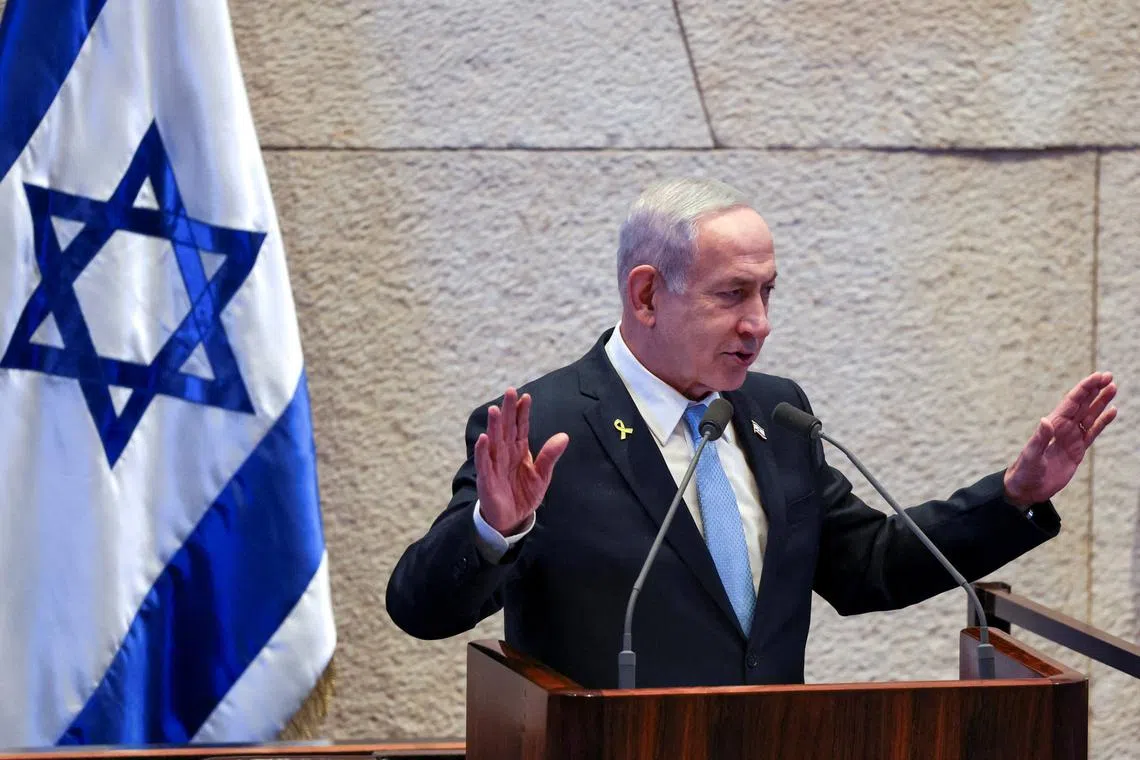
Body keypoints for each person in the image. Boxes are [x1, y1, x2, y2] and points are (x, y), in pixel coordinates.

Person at [386, 178, 1118, 689]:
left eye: (767, 291)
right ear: (646, 294)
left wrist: (1014, 496)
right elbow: (420, 609)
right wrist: (493, 530)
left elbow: (868, 566)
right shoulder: (539, 429)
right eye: (732, 293)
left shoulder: (775, 415)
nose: (759, 323)